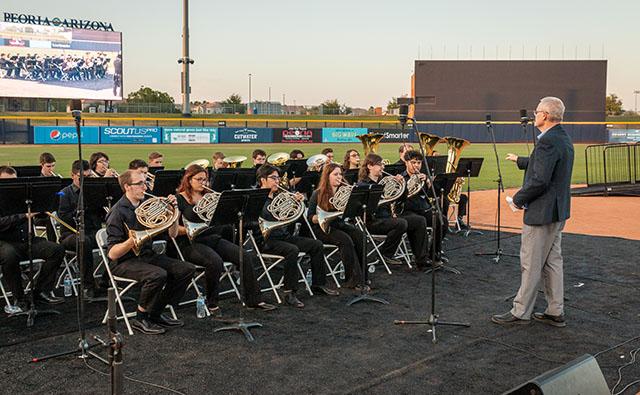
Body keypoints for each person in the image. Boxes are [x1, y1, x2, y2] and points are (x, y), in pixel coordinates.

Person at [492, 97, 574, 328]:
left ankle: (520, 312)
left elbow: (540, 179)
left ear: (545, 115)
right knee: (552, 262)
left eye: (537, 111)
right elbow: (546, 165)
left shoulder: (547, 141)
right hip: (557, 212)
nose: (534, 115)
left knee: (531, 262)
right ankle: (555, 310)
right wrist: (520, 160)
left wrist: (517, 200)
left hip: (542, 213)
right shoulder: (562, 138)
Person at [170, 165, 276, 315]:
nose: (203, 183)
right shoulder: (179, 199)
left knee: (244, 255)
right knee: (215, 262)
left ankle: (254, 300)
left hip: (212, 238)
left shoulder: (209, 196)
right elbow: (173, 232)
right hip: (190, 243)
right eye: (199, 179)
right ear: (188, 180)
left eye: (205, 180)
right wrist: (194, 228)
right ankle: (212, 302)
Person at [106, 170, 195, 334]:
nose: (144, 186)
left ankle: (155, 312)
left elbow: (173, 234)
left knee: (186, 269)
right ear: (127, 187)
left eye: (145, 182)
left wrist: (174, 213)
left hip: (147, 255)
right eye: (139, 183)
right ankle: (140, 318)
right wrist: (132, 240)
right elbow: (112, 254)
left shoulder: (148, 202)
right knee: (158, 275)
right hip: (124, 261)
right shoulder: (117, 212)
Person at [255, 164, 338, 308]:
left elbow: (296, 218)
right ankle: (289, 292)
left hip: (283, 236)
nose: (277, 181)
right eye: (273, 178)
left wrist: (296, 203)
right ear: (263, 180)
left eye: (278, 178)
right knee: (292, 250)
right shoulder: (256, 198)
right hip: (266, 240)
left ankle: (318, 284)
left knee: (316, 244)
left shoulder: (280, 196)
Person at [0, 166, 66, 312]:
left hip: (26, 240)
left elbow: (38, 217)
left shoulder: (23, 197)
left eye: (13, 182)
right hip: (4, 242)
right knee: (9, 255)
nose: (11, 187)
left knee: (56, 249)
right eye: (6, 183)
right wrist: (23, 216)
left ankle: (41, 290)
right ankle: (19, 298)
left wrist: (43, 208)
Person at [307, 163, 365, 289]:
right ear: (327, 176)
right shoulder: (318, 193)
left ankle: (363, 276)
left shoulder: (344, 191)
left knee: (359, 235)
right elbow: (310, 217)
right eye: (335, 174)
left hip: (338, 224)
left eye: (340, 174)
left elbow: (352, 212)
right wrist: (323, 217)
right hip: (321, 228)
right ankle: (352, 279)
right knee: (345, 240)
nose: (339, 177)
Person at [57, 160, 103, 298]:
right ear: (72, 175)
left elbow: (103, 216)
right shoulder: (64, 193)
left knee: (117, 237)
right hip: (70, 234)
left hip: (93, 231)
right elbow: (63, 218)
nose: (85, 181)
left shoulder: (94, 192)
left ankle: (106, 281)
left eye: (88, 177)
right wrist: (80, 210)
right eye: (82, 177)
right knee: (84, 241)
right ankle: (87, 285)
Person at [357, 153, 409, 266]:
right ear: (370, 166)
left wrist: (402, 185)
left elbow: (402, 198)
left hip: (387, 218)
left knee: (416, 221)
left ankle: (420, 256)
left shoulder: (385, 181)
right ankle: (385, 254)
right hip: (372, 221)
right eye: (379, 164)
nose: (383, 167)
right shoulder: (362, 185)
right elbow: (360, 209)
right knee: (401, 223)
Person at [401, 150, 443, 267]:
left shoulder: (423, 178)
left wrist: (429, 184)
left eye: (418, 163)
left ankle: (434, 253)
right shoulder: (401, 177)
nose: (416, 165)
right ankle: (421, 258)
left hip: (423, 209)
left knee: (441, 219)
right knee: (420, 221)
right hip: (407, 211)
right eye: (413, 162)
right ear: (406, 163)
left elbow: (433, 195)